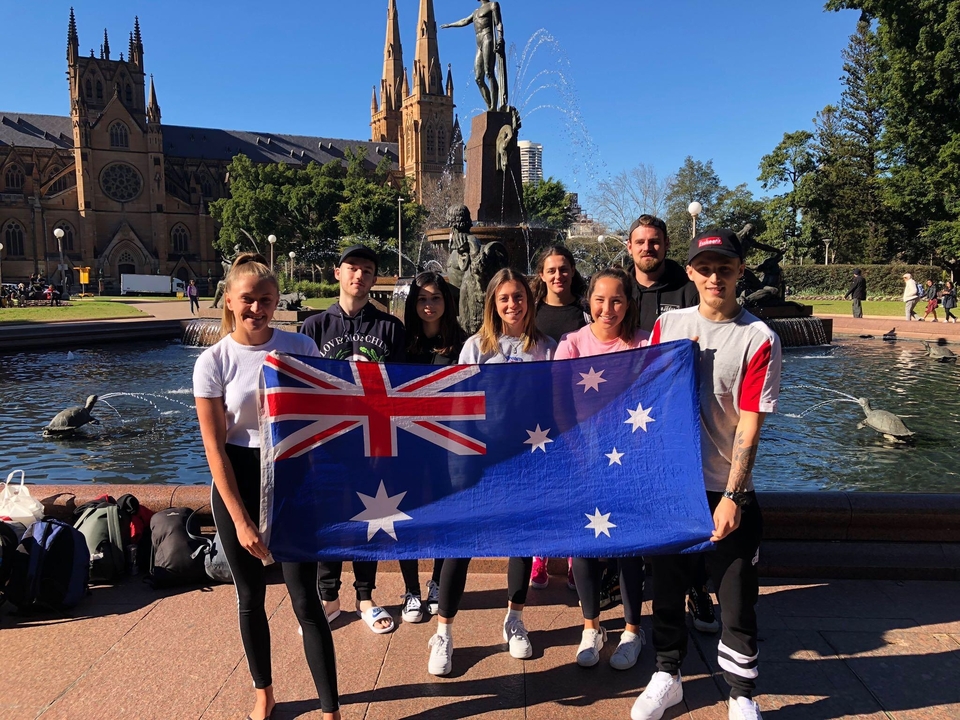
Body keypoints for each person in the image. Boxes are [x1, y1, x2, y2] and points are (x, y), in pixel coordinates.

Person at [632, 229, 782, 720]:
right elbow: (642, 398)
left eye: (725, 267)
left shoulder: (759, 337)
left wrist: (734, 496)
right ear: (691, 272)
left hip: (725, 485)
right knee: (668, 587)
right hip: (673, 485)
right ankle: (667, 674)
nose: (715, 276)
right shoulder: (668, 325)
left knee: (736, 596)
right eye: (705, 267)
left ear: (740, 272)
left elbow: (750, 424)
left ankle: (741, 693)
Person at [192, 253, 340, 720]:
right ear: (231, 301)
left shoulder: (300, 347)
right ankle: (264, 692)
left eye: (267, 300)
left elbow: (330, 411)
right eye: (249, 300)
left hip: (293, 477)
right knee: (250, 596)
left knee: (305, 598)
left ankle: (330, 707)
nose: (259, 309)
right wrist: (239, 519)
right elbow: (216, 449)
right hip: (238, 474)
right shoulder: (213, 361)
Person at [426, 268, 556, 677]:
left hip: (525, 457)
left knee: (520, 539)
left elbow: (557, 401)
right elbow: (456, 404)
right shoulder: (475, 347)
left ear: (529, 302)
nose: (512, 305)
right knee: (459, 541)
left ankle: (514, 618)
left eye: (519, 297)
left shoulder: (546, 348)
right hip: (477, 457)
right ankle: (443, 631)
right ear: (492, 304)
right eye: (504, 298)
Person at [299, 245, 405, 634]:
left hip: (374, 435)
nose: (359, 275)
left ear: (375, 279)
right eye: (352, 268)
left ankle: (365, 596)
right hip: (328, 437)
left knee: (371, 516)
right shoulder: (313, 326)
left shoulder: (390, 327)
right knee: (329, 514)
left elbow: (400, 385)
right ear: (337, 274)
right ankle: (329, 597)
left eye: (367, 269)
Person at [626, 214, 717, 635]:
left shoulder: (687, 288)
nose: (648, 248)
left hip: (679, 415)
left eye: (655, 242)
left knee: (685, 498)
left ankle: (696, 585)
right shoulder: (618, 288)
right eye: (641, 242)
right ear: (630, 248)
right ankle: (633, 577)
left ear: (666, 246)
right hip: (624, 416)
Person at [555, 266, 649, 670]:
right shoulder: (571, 344)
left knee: (629, 547)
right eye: (599, 299)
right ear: (588, 302)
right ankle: (590, 626)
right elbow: (557, 404)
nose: (607, 308)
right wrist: (575, 453)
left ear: (628, 304)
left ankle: (632, 629)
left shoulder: (645, 345)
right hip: (582, 460)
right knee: (585, 547)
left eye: (616, 300)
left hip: (629, 462)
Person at [397, 271, 467, 623]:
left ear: (446, 302)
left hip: (446, 443)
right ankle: (410, 590)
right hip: (405, 441)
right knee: (404, 512)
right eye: (422, 299)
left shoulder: (461, 342)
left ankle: (438, 582)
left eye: (435, 298)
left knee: (443, 514)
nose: (429, 305)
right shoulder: (402, 340)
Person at [528, 245, 590, 590]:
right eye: (551, 270)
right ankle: (539, 554)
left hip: (578, 411)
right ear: (541, 274)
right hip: (538, 412)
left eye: (563, 269)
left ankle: (571, 554)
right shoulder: (531, 312)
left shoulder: (585, 311)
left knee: (574, 484)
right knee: (541, 485)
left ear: (572, 270)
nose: (557, 276)